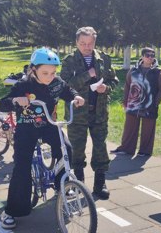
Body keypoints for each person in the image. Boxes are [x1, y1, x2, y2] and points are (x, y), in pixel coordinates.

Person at [0, 47, 84, 229]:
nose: (50, 76)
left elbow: (68, 90)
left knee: (66, 149)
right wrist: (15, 101)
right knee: (22, 165)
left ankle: (63, 186)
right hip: (27, 129)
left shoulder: (56, 83)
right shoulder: (23, 85)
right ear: (33, 69)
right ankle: (12, 210)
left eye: (53, 72)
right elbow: (3, 103)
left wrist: (76, 97)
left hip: (49, 126)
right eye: (45, 72)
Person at [60, 26, 119, 200]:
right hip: (77, 114)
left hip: (99, 113)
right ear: (76, 42)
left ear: (95, 42)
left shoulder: (104, 59)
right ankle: (78, 183)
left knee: (100, 148)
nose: (86, 47)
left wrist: (105, 88)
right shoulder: (69, 61)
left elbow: (114, 81)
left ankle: (100, 183)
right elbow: (64, 85)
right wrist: (88, 74)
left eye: (90, 43)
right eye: (82, 43)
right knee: (77, 150)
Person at [111, 47, 161, 157]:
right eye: (147, 55)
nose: (150, 57)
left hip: (150, 106)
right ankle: (126, 149)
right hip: (133, 104)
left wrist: (155, 103)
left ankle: (145, 151)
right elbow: (127, 86)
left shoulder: (158, 73)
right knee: (129, 128)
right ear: (142, 56)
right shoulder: (133, 70)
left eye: (152, 55)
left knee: (148, 130)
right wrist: (125, 101)